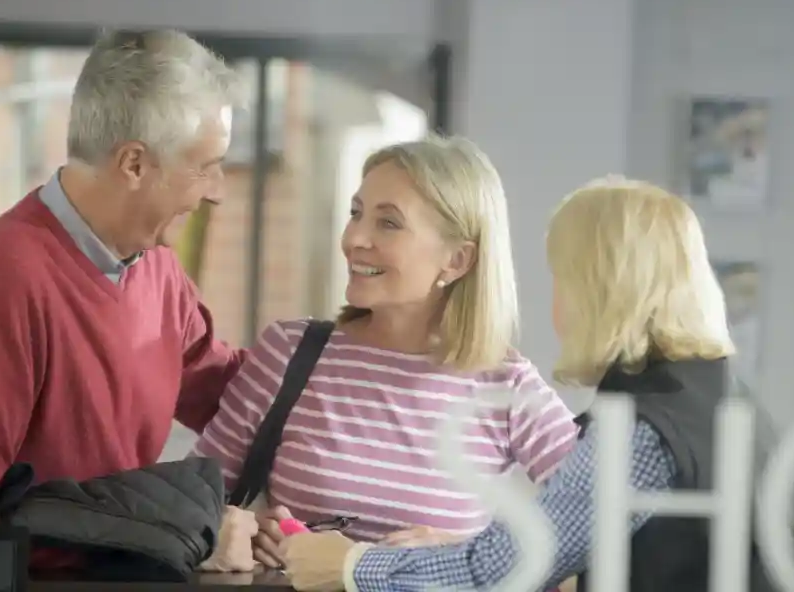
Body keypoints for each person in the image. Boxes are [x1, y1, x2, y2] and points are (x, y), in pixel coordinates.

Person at [279, 177, 794, 591]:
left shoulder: (643, 432)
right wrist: (453, 551)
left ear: (597, 289)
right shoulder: (717, 396)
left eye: (561, 279)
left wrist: (351, 567)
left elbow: (505, 572)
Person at [0, 30, 258, 571]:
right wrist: (184, 530)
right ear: (134, 164)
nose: (217, 189)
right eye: (205, 166)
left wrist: (371, 353)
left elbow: (231, 395)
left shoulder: (155, 266)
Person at [194, 137, 578, 567]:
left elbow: (601, 524)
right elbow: (193, 506)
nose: (355, 238)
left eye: (388, 223)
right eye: (356, 213)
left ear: (456, 260)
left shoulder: (505, 385)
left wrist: (467, 559)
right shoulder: (289, 353)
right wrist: (239, 533)